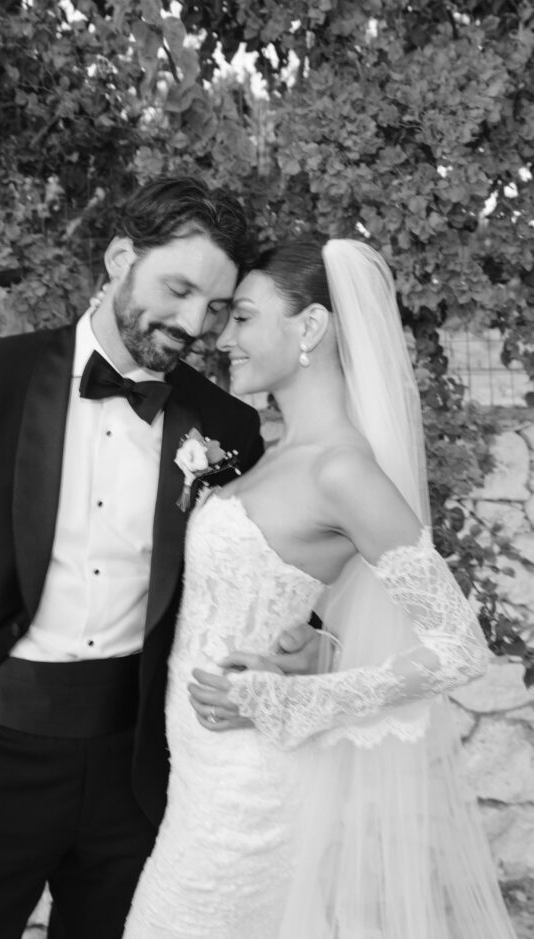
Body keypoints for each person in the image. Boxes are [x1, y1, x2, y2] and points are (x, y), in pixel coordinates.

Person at [0, 177, 272, 939]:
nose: (195, 323)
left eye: (217, 308)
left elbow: (242, 569)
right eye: (179, 288)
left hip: (136, 769)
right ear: (120, 255)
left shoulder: (227, 428)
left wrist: (304, 637)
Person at [124, 239, 517, 938]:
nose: (224, 337)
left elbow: (460, 647)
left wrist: (292, 697)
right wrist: (319, 649)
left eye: (243, 317)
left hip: (252, 797)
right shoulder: (274, 451)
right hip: (200, 781)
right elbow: (303, 607)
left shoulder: (342, 470)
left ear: (307, 328)